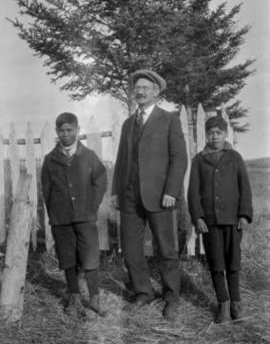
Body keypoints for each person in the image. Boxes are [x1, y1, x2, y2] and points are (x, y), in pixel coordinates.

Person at [112, 69, 187, 320]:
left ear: (156, 92)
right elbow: (122, 160)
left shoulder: (169, 120)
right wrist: (115, 192)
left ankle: (171, 297)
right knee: (131, 249)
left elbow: (179, 159)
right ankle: (143, 292)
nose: (140, 92)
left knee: (165, 249)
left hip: (159, 197)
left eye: (146, 88)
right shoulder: (127, 124)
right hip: (130, 196)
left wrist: (171, 192)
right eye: (137, 88)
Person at [188, 116, 253, 323]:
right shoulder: (199, 160)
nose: (214, 136)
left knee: (233, 263)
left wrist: (244, 214)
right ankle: (223, 304)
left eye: (218, 132)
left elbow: (245, 188)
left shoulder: (235, 157)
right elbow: (193, 192)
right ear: (205, 135)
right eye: (210, 133)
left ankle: (236, 303)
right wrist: (198, 217)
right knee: (216, 264)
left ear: (225, 134)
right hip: (210, 223)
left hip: (233, 220)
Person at [41, 112, 107, 318]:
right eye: (61, 130)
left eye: (70, 130)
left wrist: (92, 206)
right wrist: (55, 213)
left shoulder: (88, 156)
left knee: (90, 256)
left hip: (85, 217)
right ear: (56, 132)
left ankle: (94, 297)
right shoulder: (50, 159)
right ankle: (74, 296)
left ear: (78, 130)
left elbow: (100, 181)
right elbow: (47, 190)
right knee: (67, 257)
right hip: (61, 219)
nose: (66, 134)